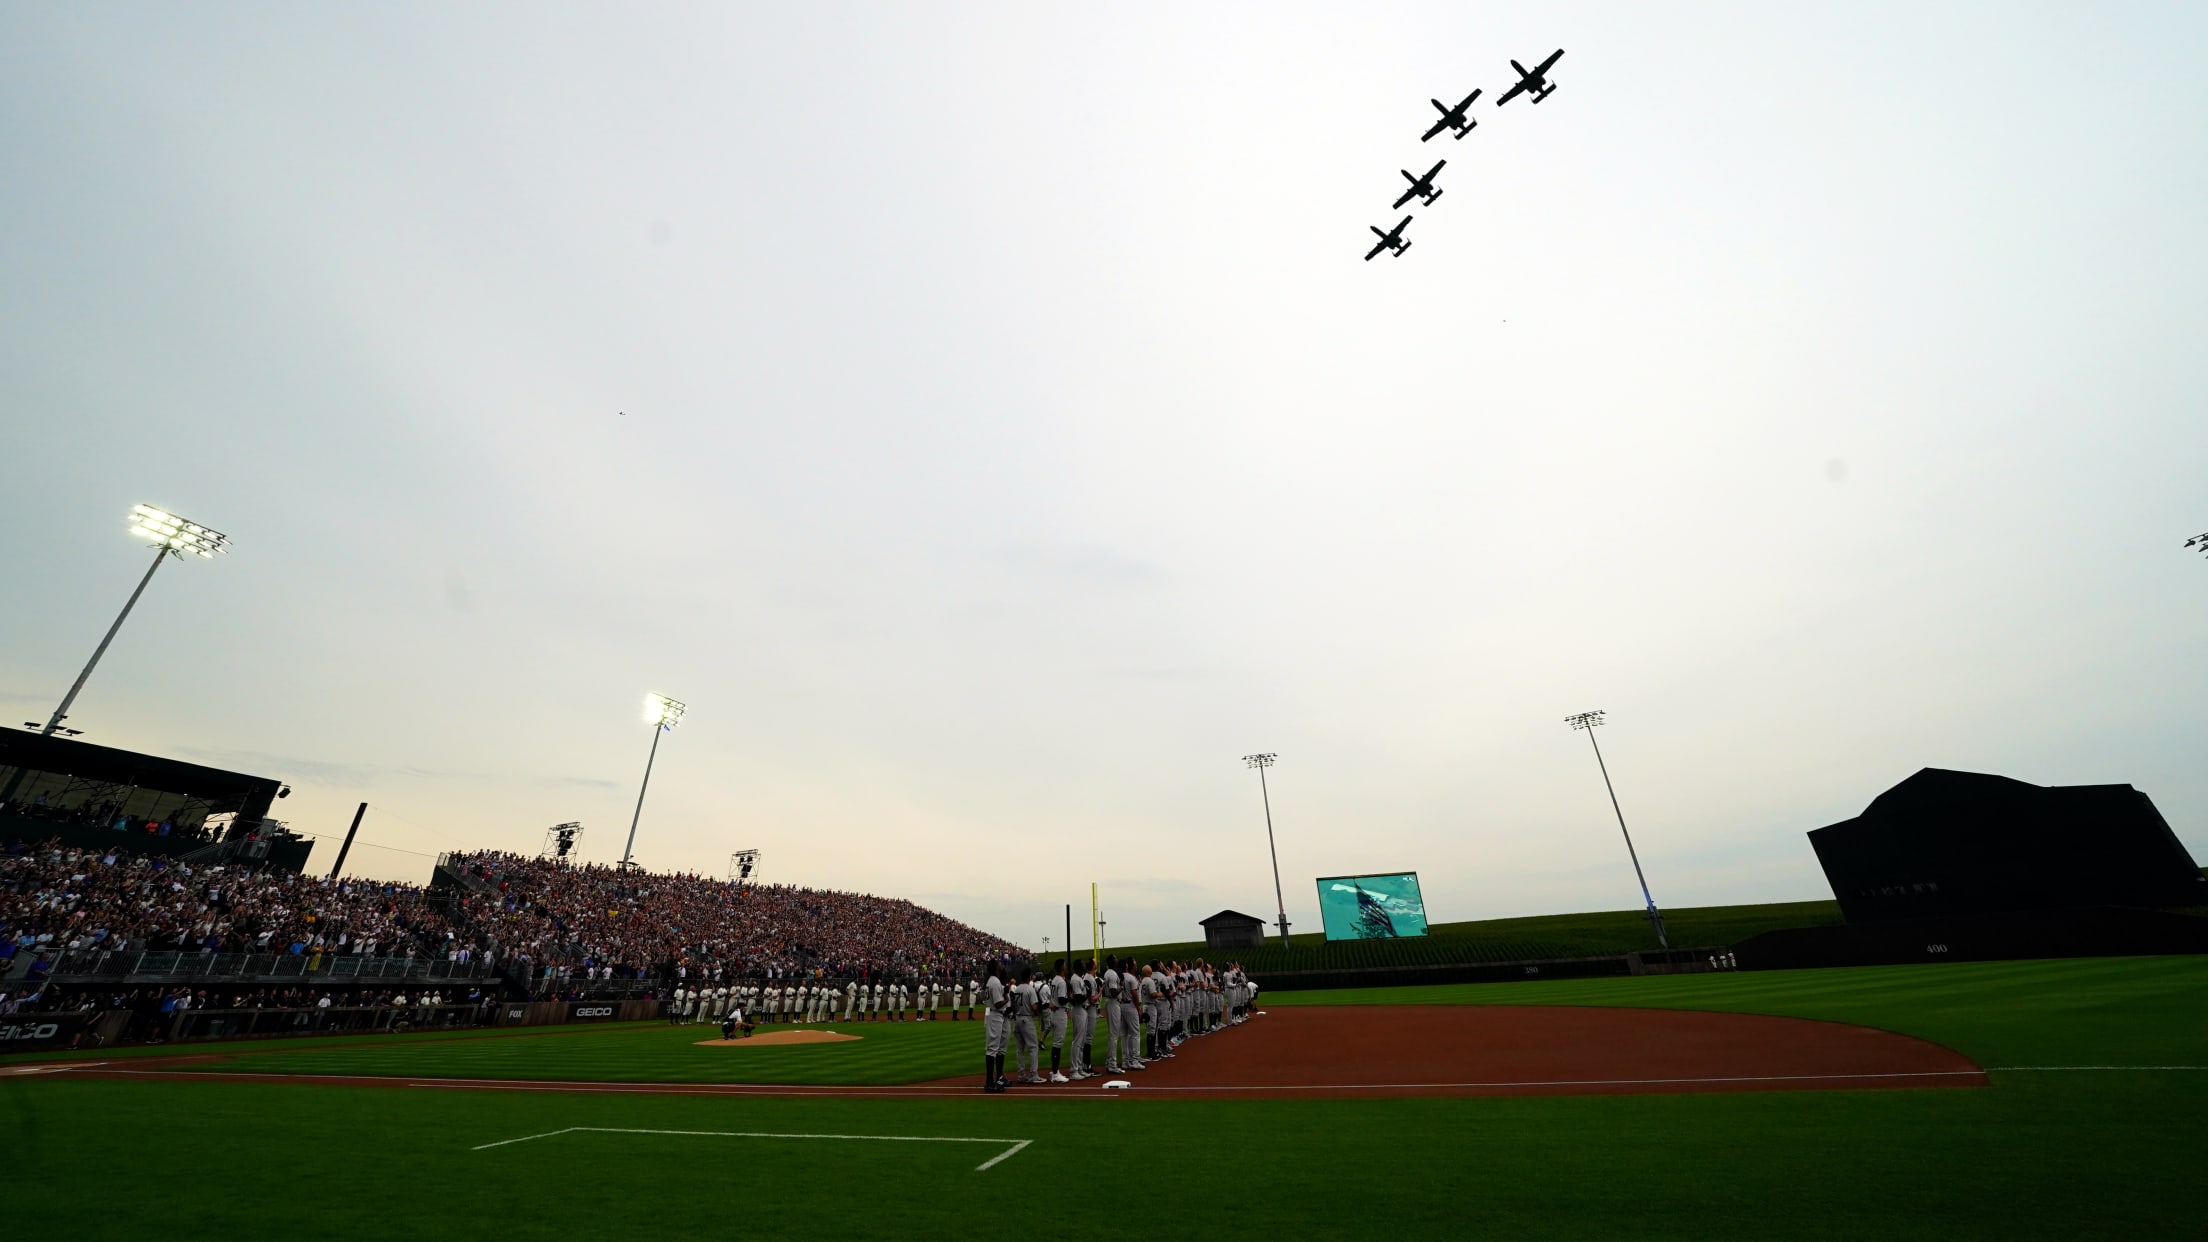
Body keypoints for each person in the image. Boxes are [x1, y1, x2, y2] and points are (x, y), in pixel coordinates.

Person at [981, 962, 1009, 1093]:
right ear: (996, 968)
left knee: (996, 1047)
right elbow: (998, 1004)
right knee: (992, 1048)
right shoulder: (995, 982)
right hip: (995, 1014)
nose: (1000, 966)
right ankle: (989, 1082)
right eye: (999, 965)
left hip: (994, 1014)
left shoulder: (991, 981)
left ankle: (996, 1079)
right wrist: (1007, 999)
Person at [1045, 959, 1070, 1083]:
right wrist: (1070, 997)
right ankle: (1055, 1073)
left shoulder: (1054, 979)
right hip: (1059, 1012)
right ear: (1062, 967)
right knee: (1058, 1044)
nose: (1066, 967)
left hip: (1053, 1012)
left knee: (1056, 1043)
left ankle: (1054, 1070)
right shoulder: (1061, 981)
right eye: (1064, 965)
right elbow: (1061, 1000)